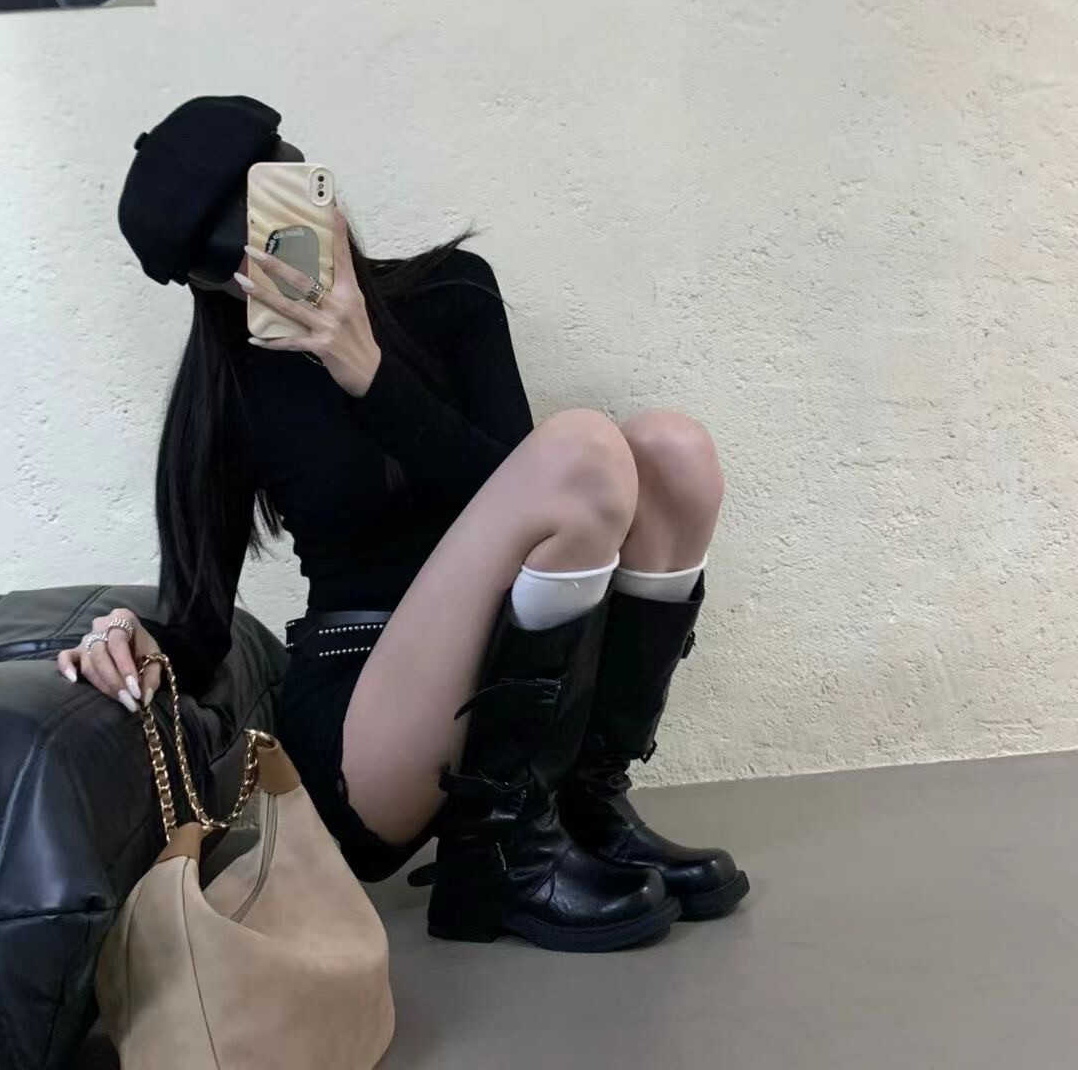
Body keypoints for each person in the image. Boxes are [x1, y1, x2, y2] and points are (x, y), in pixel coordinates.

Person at [59, 97, 749, 952]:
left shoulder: (454, 294)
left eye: (280, 205)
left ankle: (587, 803)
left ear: (309, 184)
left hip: (503, 663)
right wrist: (130, 636)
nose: (272, 249)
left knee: (672, 451)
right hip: (365, 715)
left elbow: (521, 500)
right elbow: (200, 629)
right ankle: (497, 858)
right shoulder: (225, 390)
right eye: (236, 254)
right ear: (215, 283)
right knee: (582, 448)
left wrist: (370, 372)